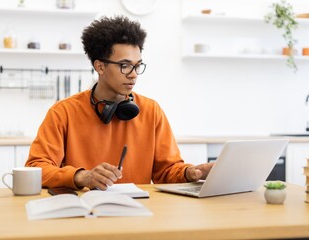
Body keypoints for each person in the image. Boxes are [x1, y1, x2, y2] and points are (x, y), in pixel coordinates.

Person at [25, 15, 213, 190]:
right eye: (125, 65)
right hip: (83, 215)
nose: (133, 74)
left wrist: (190, 173)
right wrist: (81, 177)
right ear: (100, 66)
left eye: (137, 66)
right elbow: (36, 168)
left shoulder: (151, 110)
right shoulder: (63, 112)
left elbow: (167, 171)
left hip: (138, 214)